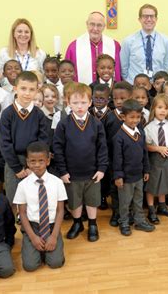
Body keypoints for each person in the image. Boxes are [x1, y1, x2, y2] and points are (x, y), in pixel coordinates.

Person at [53, 83, 108, 242]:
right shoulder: (63, 124)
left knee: (92, 200)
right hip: (71, 173)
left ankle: (92, 224)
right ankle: (77, 223)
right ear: (68, 102)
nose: (79, 107)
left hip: (92, 173)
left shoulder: (96, 123)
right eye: (75, 103)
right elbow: (58, 149)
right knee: (74, 201)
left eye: (83, 102)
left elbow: (102, 147)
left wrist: (102, 168)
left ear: (90, 102)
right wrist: (62, 171)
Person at [0, 71, 50, 213]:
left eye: (31, 89)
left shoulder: (39, 114)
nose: (27, 93)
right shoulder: (7, 114)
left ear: (37, 91)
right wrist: (17, 168)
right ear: (15, 88)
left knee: (34, 197)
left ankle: (31, 228)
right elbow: (4, 143)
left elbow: (43, 141)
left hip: (35, 162)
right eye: (23, 88)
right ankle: (16, 224)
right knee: (14, 197)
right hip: (13, 163)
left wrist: (32, 165)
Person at [14, 141, 67, 271]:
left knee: (55, 263)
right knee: (30, 266)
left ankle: (50, 247)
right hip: (32, 227)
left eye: (41, 161)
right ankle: (34, 247)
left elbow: (60, 211)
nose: (37, 165)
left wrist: (54, 236)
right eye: (32, 161)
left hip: (51, 226)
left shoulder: (58, 183)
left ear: (48, 161)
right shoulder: (22, 185)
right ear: (27, 162)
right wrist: (33, 237)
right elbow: (22, 213)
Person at [112, 99, 156, 236]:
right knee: (125, 202)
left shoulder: (141, 133)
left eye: (138, 117)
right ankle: (124, 222)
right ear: (123, 117)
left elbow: (144, 153)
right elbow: (117, 159)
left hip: (139, 175)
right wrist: (118, 176)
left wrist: (146, 170)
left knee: (138, 200)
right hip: (125, 178)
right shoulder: (119, 137)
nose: (135, 120)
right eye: (131, 117)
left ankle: (139, 221)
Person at [144, 94, 168, 224]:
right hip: (155, 159)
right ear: (153, 109)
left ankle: (162, 206)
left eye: (166, 108)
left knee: (164, 183)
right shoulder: (149, 127)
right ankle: (151, 209)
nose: (163, 111)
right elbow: (146, 146)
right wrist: (159, 149)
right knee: (153, 184)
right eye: (159, 107)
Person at [104, 82, 133, 227]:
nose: (119, 102)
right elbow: (104, 141)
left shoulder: (134, 117)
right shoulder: (109, 117)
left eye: (123, 98)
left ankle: (129, 212)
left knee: (129, 188)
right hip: (113, 161)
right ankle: (116, 212)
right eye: (116, 99)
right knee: (115, 188)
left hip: (130, 161)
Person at [120, 4, 168, 83]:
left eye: (152, 16)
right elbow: (124, 67)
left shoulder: (165, 41)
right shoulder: (128, 41)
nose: (149, 19)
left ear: (156, 19)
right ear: (139, 19)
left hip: (157, 86)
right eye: (145, 16)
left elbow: (166, 66)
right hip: (135, 86)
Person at [65, 12, 121, 83]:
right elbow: (67, 73)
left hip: (108, 91)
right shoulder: (73, 47)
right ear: (87, 24)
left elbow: (118, 72)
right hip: (82, 92)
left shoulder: (114, 45)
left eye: (99, 25)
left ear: (104, 26)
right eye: (92, 24)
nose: (95, 28)